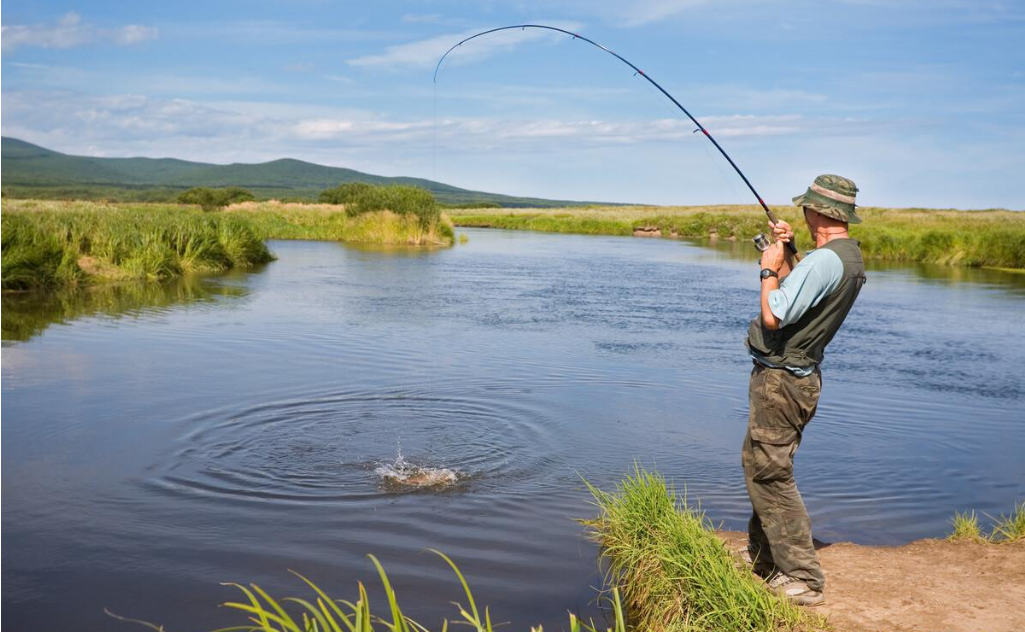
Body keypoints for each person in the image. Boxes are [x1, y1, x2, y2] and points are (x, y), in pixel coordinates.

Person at [741, 174, 867, 606]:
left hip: (782, 382)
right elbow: (803, 293)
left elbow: (776, 314)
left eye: (806, 207)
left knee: (771, 471)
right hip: (795, 378)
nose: (802, 212)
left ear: (821, 213)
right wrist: (791, 251)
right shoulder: (843, 256)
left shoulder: (826, 261)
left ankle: (803, 578)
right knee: (760, 462)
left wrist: (768, 266)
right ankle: (764, 555)